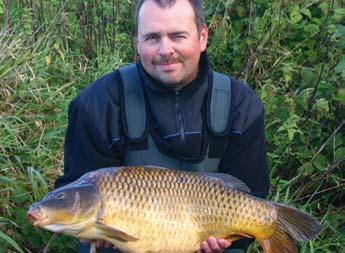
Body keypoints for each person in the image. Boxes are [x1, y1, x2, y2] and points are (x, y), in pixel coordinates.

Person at [54, 0, 270, 252]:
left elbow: (250, 196)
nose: (165, 49)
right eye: (152, 38)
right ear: (137, 42)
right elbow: (75, 194)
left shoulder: (240, 105)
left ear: (202, 37)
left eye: (177, 36)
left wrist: (225, 241)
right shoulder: (98, 104)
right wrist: (93, 234)